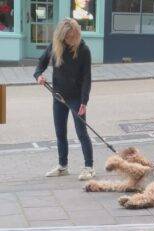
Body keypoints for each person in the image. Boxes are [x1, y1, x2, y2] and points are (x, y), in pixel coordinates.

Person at [33, 18, 95, 181]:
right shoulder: (55, 46)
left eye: (74, 36)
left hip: (76, 98)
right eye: (69, 37)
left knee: (82, 133)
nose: (72, 40)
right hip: (58, 96)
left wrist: (84, 101)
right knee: (60, 133)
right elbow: (41, 63)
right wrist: (39, 75)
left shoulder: (84, 50)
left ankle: (89, 167)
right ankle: (63, 166)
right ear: (62, 36)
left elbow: (87, 78)